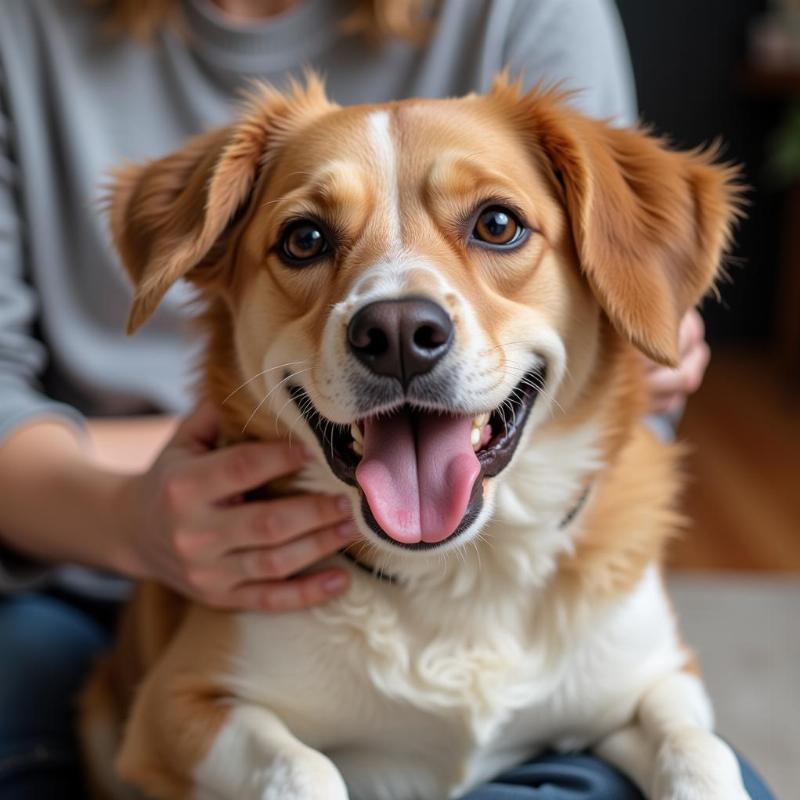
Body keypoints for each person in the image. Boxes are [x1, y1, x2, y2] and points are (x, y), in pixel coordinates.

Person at [0, 1, 768, 798]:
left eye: (496, 225)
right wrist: (132, 521)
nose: (398, 318)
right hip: (115, 567)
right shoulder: (21, 26)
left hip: (560, 560)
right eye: (307, 240)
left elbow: (654, 695)